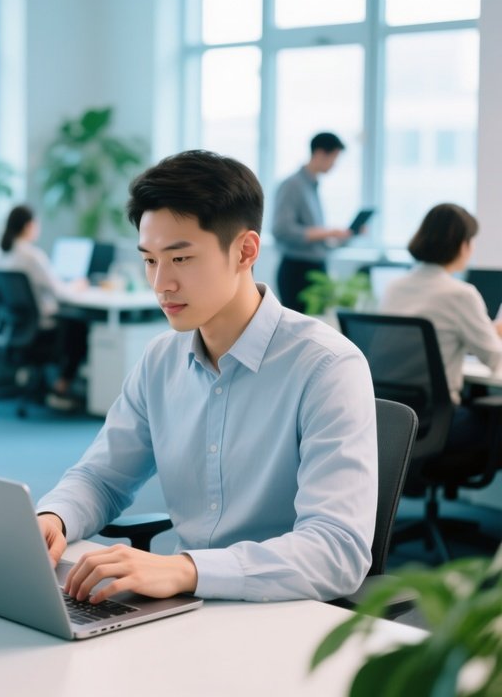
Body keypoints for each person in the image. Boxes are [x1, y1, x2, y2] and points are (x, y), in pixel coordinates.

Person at [35, 149, 377, 604]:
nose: (160, 285)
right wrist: (54, 516)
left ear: (245, 251)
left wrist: (187, 569)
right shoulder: (161, 360)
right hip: (182, 607)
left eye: (180, 259)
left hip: (280, 614)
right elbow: (102, 477)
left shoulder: (326, 367)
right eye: (150, 260)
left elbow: (337, 550)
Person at [380, 203, 502, 450]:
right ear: (462, 244)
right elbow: (495, 359)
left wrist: (488, 331)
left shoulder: (395, 287)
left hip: (393, 419)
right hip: (440, 424)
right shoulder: (460, 295)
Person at [0, 204, 88, 410]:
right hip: (39, 329)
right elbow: (60, 291)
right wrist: (78, 285)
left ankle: (50, 384)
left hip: (15, 328)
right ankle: (60, 388)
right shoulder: (32, 256)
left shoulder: (2, 255)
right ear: (29, 226)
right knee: (78, 327)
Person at [272, 132, 353, 313]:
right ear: (319, 153)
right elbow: (282, 229)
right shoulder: (292, 185)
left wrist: (343, 236)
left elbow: (317, 240)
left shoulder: (312, 186)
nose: (334, 165)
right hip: (297, 271)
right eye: (333, 158)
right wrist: (328, 232)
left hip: (316, 268)